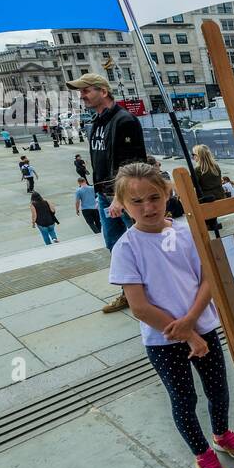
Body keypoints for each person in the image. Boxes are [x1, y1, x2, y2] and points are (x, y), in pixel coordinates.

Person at [108, 161, 234, 468]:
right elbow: (140, 307)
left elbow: (207, 280)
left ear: (167, 194)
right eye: (136, 201)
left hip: (202, 328)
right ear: (122, 204)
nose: (148, 207)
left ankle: (221, 433)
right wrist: (187, 334)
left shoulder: (186, 233)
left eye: (154, 197)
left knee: (219, 390)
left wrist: (191, 323)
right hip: (164, 342)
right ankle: (203, 454)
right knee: (184, 399)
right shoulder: (126, 249)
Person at [73, 72, 147, 313]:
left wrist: (119, 197)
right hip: (104, 193)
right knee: (114, 245)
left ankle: (151, 289)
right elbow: (100, 161)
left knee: (139, 243)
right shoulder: (97, 122)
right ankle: (130, 292)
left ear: (103, 92)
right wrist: (99, 193)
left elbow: (130, 163)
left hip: (123, 196)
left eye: (86, 91)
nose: (82, 96)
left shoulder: (124, 121)